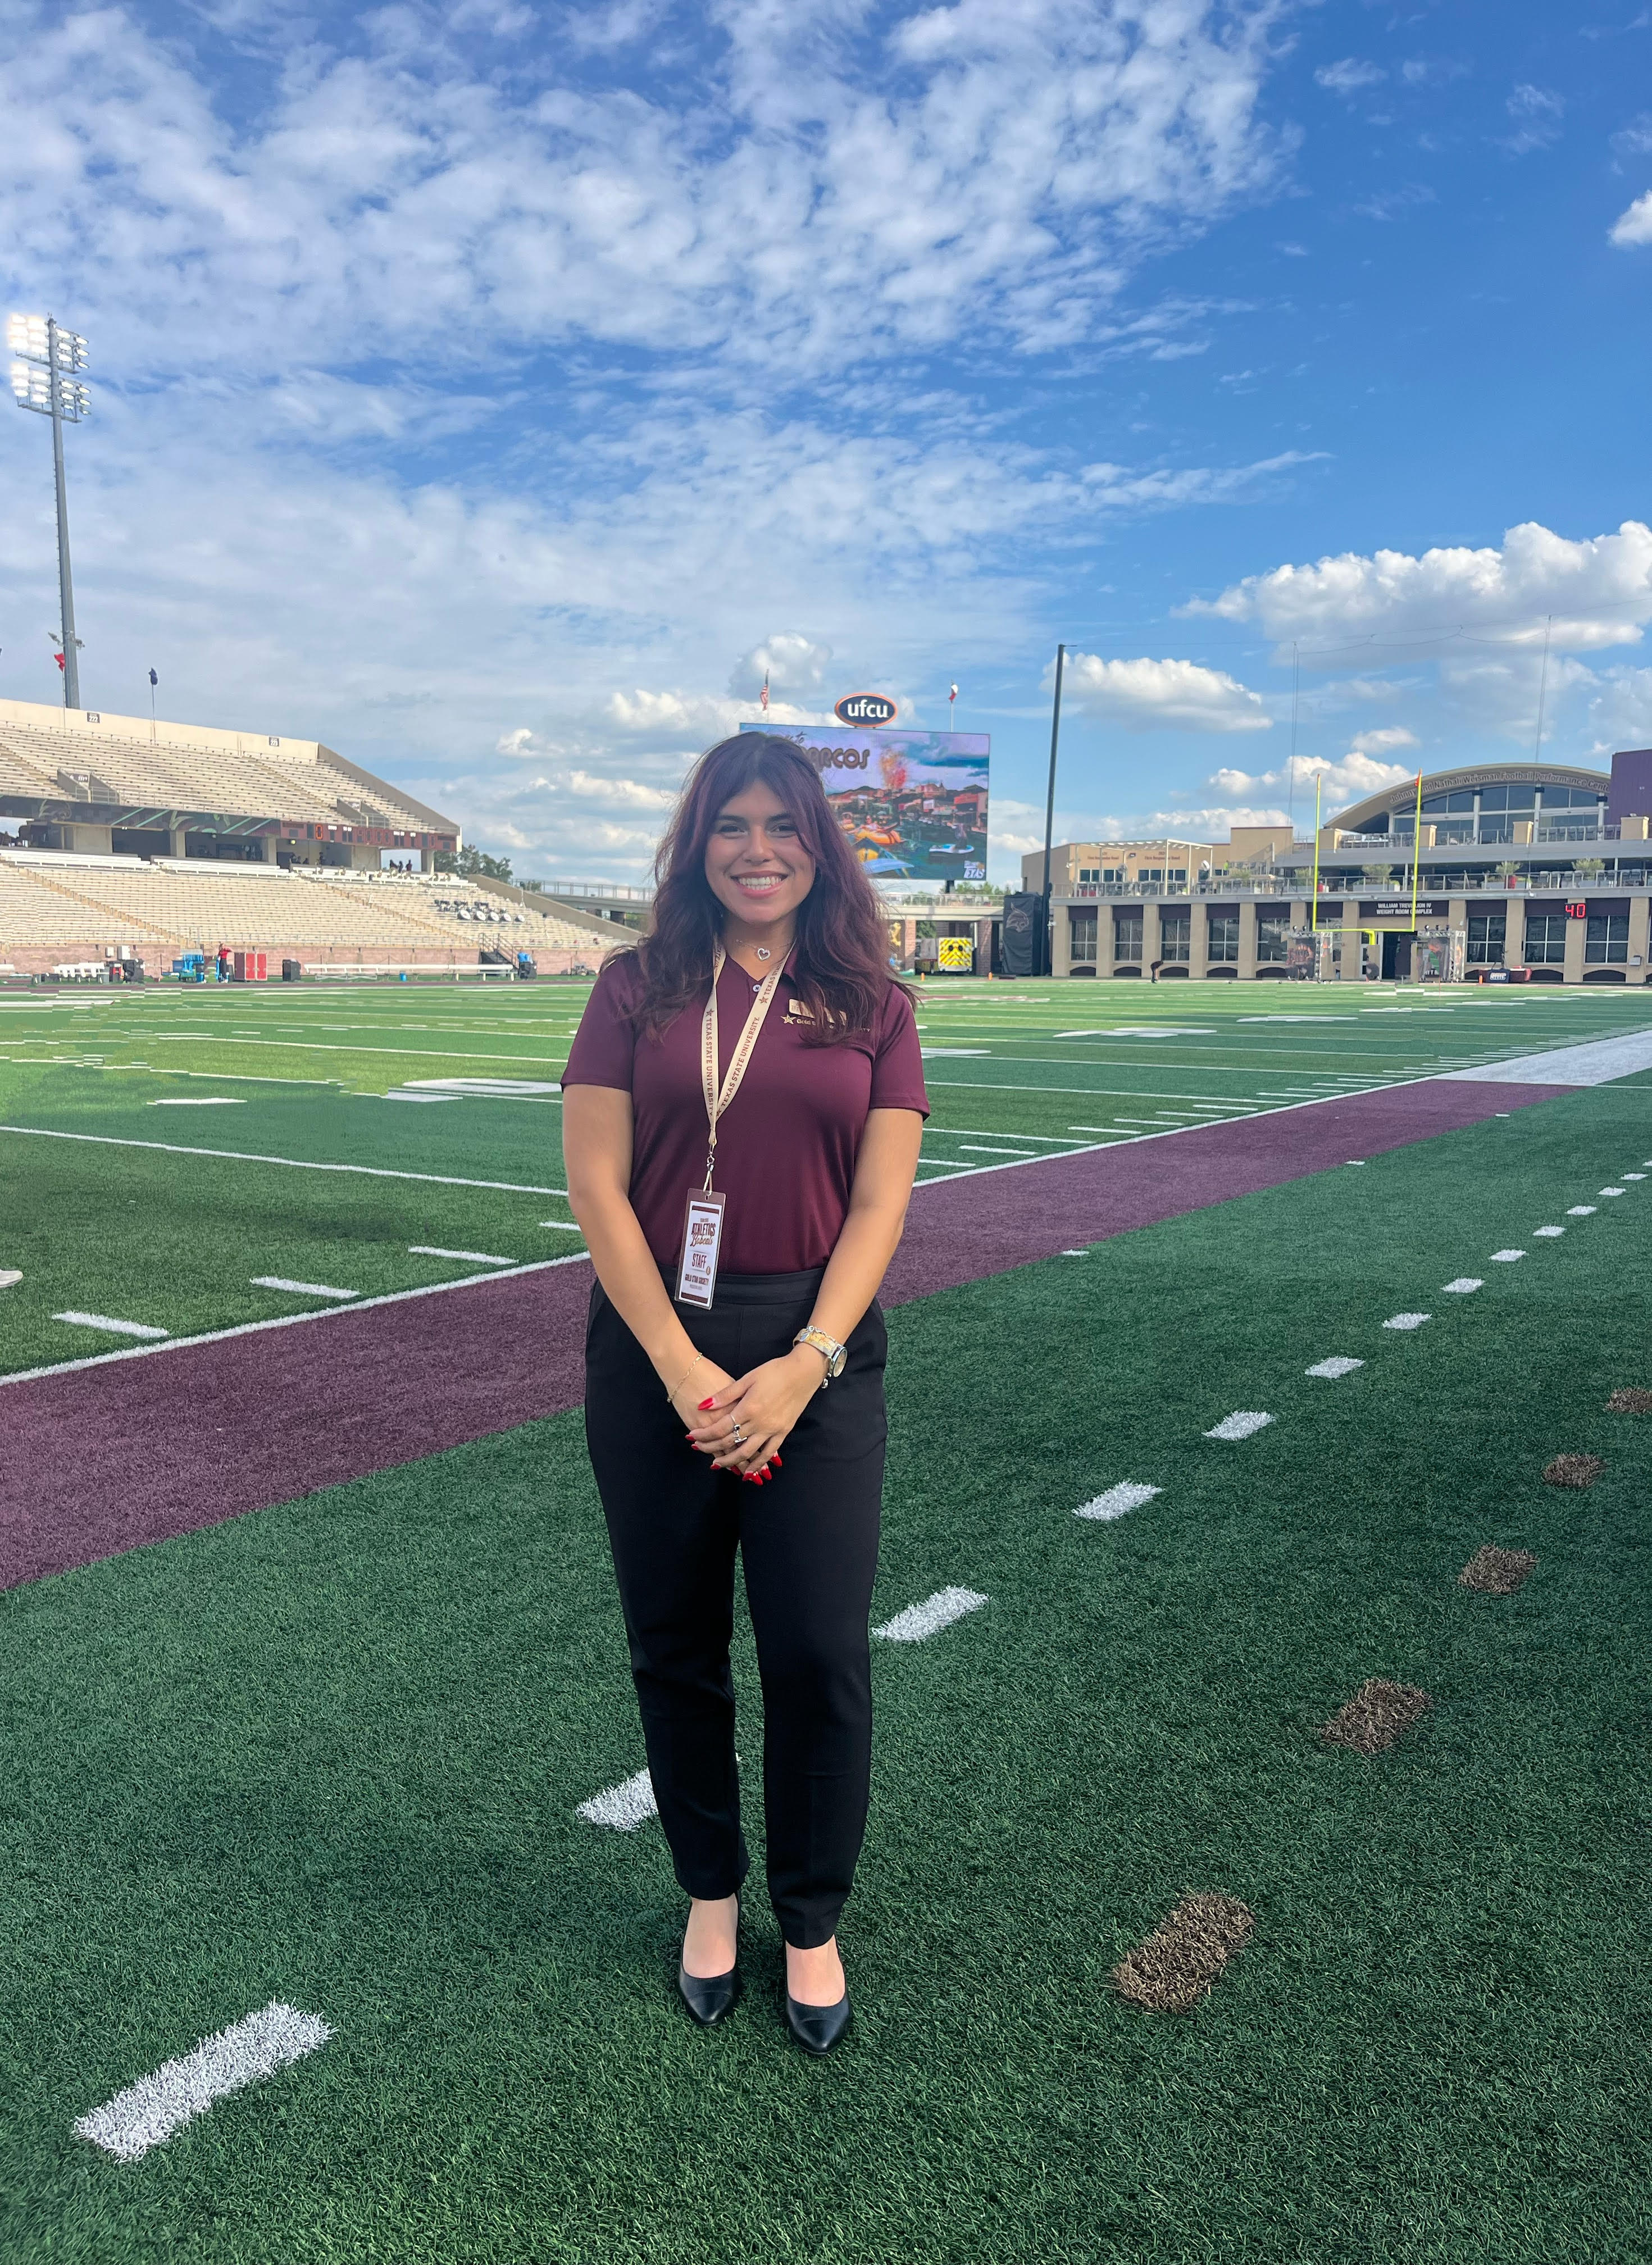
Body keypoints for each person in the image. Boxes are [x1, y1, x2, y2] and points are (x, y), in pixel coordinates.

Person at [562, 731, 927, 2054]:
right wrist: (677, 1366)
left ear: (818, 845)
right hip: (656, 1339)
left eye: (783, 824)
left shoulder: (873, 1001)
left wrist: (806, 1361)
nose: (758, 848)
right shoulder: (631, 986)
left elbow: (883, 1199)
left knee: (818, 1650)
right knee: (675, 1644)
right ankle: (709, 1898)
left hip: (812, 1349)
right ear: (694, 842)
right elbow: (597, 1186)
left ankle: (812, 1919)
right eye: (731, 824)